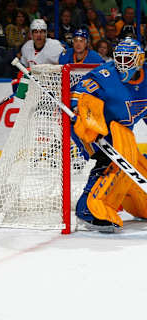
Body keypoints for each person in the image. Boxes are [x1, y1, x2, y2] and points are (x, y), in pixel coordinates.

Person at [70, 37, 147, 233]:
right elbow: (79, 93)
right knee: (112, 159)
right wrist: (79, 110)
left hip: (119, 130)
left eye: (127, 59)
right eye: (119, 58)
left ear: (139, 60)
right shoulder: (105, 74)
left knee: (135, 163)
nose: (122, 64)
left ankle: (141, 204)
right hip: (92, 128)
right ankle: (88, 209)